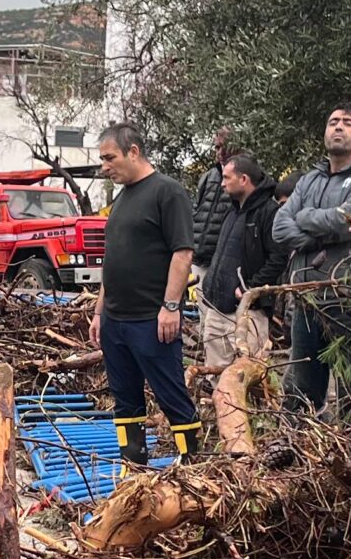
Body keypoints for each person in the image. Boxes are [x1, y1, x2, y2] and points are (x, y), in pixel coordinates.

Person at [86, 121, 200, 466]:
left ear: (133, 152)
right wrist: (98, 312)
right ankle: (133, 465)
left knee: (171, 395)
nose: (104, 167)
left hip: (152, 318)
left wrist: (170, 306)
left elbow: (182, 253)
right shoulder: (121, 200)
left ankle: (194, 464)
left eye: (110, 158)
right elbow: (113, 258)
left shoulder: (168, 192)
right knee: (125, 400)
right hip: (116, 321)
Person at [271, 105, 351, 414]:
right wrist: (317, 232)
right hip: (304, 299)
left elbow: (349, 218)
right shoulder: (308, 180)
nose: (338, 127)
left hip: (346, 298)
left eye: (347, 123)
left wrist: (304, 217)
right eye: (333, 122)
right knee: (300, 390)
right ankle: (297, 451)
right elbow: (279, 226)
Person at [198, 150, 281, 444]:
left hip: (249, 313)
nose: (221, 184)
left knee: (249, 379)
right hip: (217, 307)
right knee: (216, 376)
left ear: (244, 179)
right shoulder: (233, 210)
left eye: (227, 178)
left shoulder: (268, 213)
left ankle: (257, 437)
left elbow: (278, 258)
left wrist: (252, 288)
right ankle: (218, 435)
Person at [189, 127, 235, 271]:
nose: (220, 152)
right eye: (217, 147)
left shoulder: (243, 179)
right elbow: (197, 210)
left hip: (221, 263)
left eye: (224, 147)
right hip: (196, 259)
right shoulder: (209, 176)